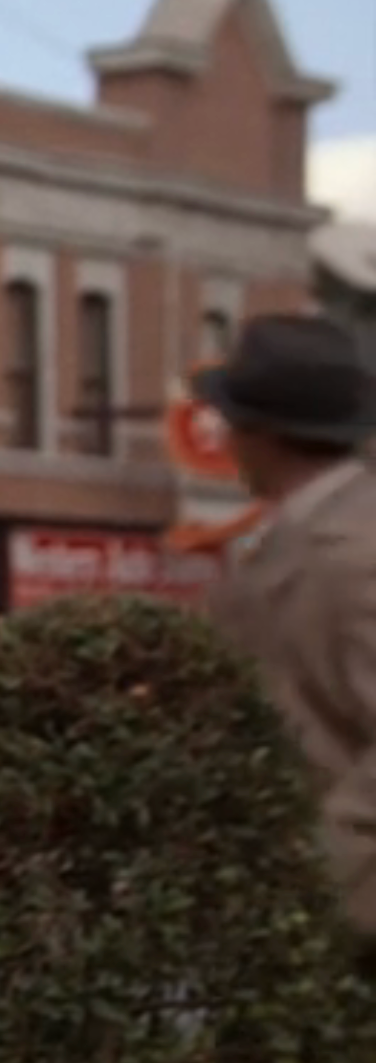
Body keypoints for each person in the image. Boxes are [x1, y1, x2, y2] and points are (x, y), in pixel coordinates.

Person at [201, 313, 376, 977]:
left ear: (262, 433)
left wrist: (311, 871)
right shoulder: (293, 538)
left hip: (346, 933)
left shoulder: (357, 551)